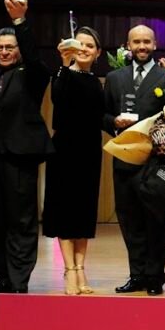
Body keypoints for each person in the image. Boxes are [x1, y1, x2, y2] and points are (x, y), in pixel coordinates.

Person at [0, 0, 55, 294]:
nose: (4, 51)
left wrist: (20, 22)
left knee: (21, 222)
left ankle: (18, 280)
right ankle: (3, 278)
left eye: (9, 47)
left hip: (20, 158)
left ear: (19, 50)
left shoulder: (32, 75)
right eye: (0, 47)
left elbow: (35, 57)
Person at [103, 25, 165, 296]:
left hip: (155, 162)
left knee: (156, 221)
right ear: (128, 45)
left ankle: (155, 276)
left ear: (154, 45)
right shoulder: (114, 77)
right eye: (136, 42)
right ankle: (137, 274)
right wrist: (113, 122)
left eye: (146, 42)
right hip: (123, 160)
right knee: (129, 221)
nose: (141, 46)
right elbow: (103, 115)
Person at [45, 25, 105, 295]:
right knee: (65, 210)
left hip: (90, 150)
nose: (84, 49)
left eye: (89, 46)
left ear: (98, 53)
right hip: (65, 150)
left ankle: (81, 267)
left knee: (84, 211)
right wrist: (64, 63)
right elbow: (57, 97)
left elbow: (100, 117)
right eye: (79, 44)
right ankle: (69, 269)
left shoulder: (96, 82)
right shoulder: (63, 75)